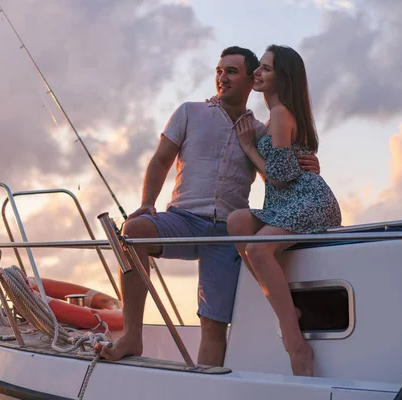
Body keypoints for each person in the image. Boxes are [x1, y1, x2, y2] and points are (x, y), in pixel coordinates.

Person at [97, 46, 320, 367]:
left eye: (231, 71)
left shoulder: (259, 130)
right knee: (133, 232)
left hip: (225, 235)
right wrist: (147, 203)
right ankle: (132, 336)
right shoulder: (190, 112)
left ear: (249, 80)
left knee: (213, 330)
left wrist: (310, 163)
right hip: (182, 221)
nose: (222, 78)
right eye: (218, 71)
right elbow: (161, 161)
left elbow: (279, 169)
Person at [226, 45, 341, 376]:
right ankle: (288, 309)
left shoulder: (279, 113)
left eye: (265, 68)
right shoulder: (276, 115)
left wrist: (248, 146)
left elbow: (280, 176)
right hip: (286, 201)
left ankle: (295, 343)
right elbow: (279, 174)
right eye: (257, 68)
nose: (256, 73)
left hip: (309, 200)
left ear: (283, 77)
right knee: (237, 221)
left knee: (257, 249)